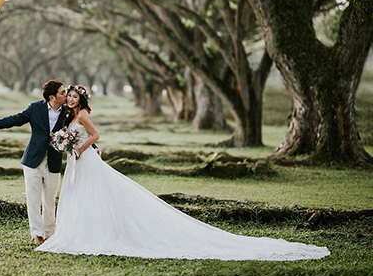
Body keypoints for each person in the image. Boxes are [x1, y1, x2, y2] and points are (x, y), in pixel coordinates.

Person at [36, 85, 330, 261]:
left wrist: (80, 148)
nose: (70, 99)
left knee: (93, 193)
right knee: (79, 195)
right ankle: (80, 230)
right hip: (78, 160)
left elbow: (96, 135)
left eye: (73, 96)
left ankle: (93, 233)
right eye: (68, 96)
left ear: (81, 99)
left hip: (85, 159)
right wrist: (67, 144)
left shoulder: (83, 114)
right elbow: (75, 135)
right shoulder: (70, 115)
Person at [0, 80, 67, 246]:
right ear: (52, 97)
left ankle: (50, 233)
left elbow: (79, 130)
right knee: (33, 198)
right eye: (63, 92)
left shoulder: (68, 113)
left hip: (54, 161)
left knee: (50, 199)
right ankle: (37, 234)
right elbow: (16, 119)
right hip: (33, 160)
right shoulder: (35, 108)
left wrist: (93, 147)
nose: (66, 95)